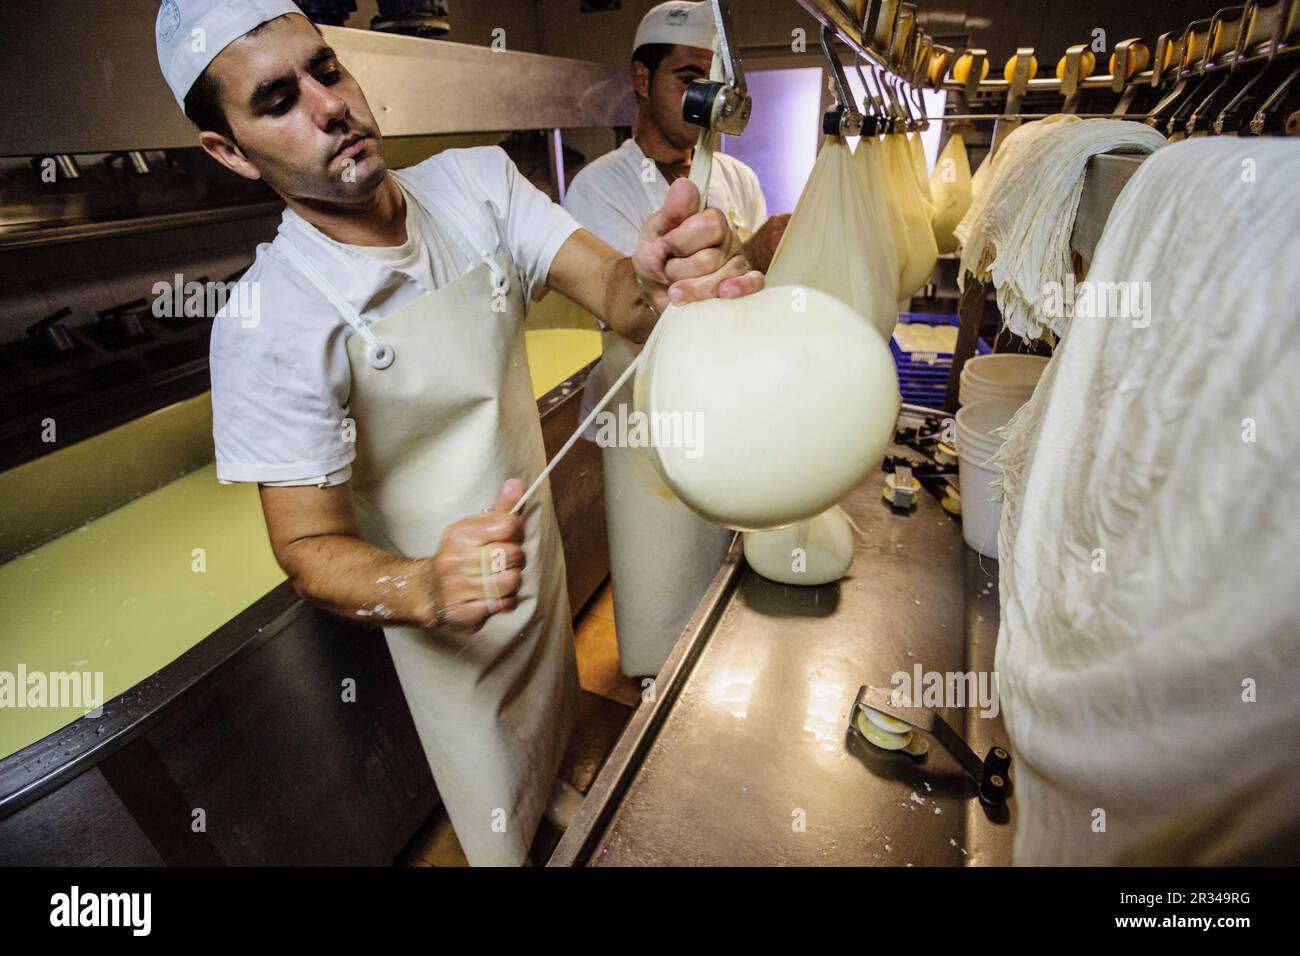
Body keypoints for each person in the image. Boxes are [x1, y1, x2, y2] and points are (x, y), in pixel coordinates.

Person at [154, 0, 761, 866]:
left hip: (537, 572)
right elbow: (306, 544)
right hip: (443, 627)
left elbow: (622, 295)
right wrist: (427, 588)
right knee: (496, 811)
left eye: (326, 71)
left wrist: (661, 272)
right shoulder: (269, 317)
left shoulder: (476, 185)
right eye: (277, 102)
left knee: (555, 737)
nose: (329, 106)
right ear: (228, 151)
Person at [563, 1, 787, 677]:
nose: (703, 97)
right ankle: (654, 692)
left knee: (720, 562)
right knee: (653, 579)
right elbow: (634, 309)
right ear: (641, 78)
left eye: (710, 79)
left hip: (723, 408)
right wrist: (748, 250)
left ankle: (712, 681)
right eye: (687, 77)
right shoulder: (596, 188)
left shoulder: (737, 177)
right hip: (641, 422)